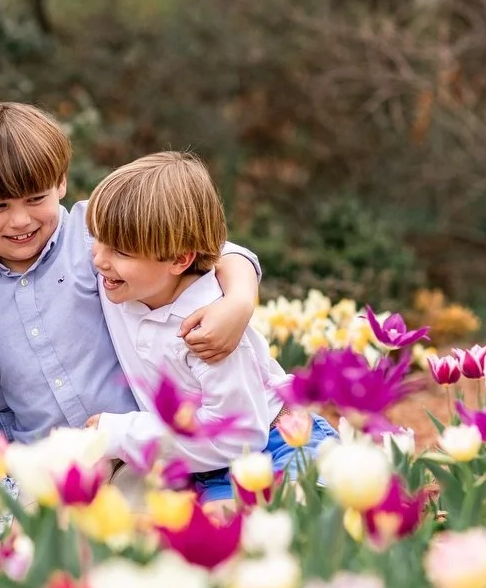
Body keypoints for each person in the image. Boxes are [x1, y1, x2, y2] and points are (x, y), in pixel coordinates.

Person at [0, 104, 262, 496]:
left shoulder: (97, 234)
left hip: (143, 455)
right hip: (52, 471)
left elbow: (204, 249)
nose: (20, 221)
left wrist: (239, 300)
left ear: (61, 182)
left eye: (35, 199)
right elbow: (0, 403)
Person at [86, 152, 337, 511]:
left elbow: (239, 435)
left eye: (120, 251)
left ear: (179, 259)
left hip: (276, 445)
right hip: (205, 465)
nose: (98, 259)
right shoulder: (122, 280)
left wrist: (121, 434)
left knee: (292, 519)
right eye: (97, 239)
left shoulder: (208, 331)